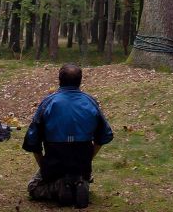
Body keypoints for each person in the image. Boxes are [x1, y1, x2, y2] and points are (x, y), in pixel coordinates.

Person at [23, 63, 113, 209]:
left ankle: (59, 186)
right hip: (82, 164)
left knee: (33, 187)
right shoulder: (91, 102)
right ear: (80, 80)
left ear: (59, 80)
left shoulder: (48, 103)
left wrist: (44, 167)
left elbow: (32, 141)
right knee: (81, 173)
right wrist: (88, 158)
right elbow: (104, 136)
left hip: (54, 163)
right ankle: (80, 182)